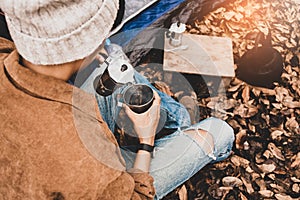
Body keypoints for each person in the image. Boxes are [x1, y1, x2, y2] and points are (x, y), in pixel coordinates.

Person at [0, 1, 235, 200]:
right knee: (219, 131)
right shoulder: (73, 156)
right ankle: (174, 138)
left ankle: (175, 127)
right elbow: (137, 196)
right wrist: (146, 141)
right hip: (102, 180)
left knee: (109, 70)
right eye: (102, 34)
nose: (104, 41)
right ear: (85, 43)